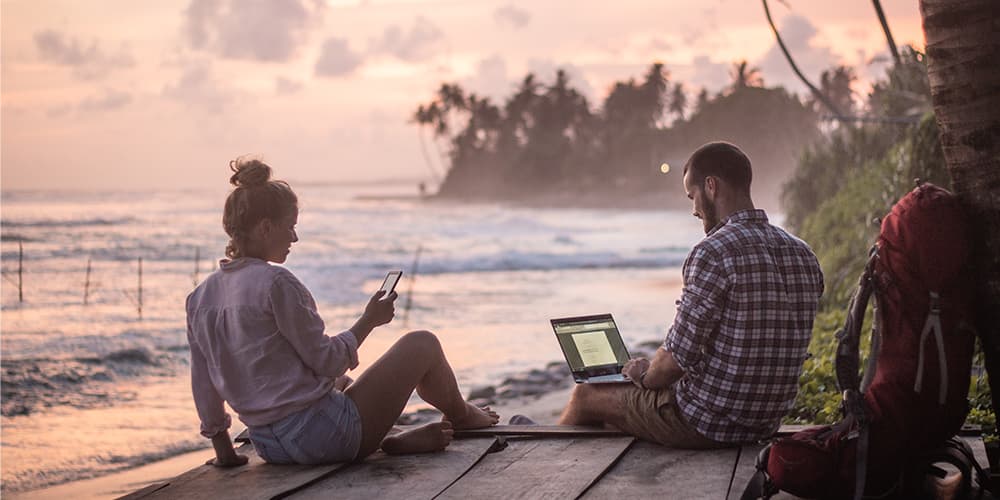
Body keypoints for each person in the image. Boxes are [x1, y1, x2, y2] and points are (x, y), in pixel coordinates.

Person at [186, 157, 498, 468]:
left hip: (270, 446)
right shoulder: (276, 283)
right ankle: (461, 415)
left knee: (342, 383)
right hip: (325, 437)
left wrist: (225, 453)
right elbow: (327, 360)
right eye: (290, 227)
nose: (294, 238)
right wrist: (369, 321)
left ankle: (394, 438)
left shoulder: (199, 297)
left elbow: (204, 383)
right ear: (266, 228)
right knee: (422, 344)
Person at [558, 141, 824, 448]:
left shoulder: (713, 252)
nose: (694, 210)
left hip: (707, 422)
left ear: (711, 186)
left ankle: (544, 458)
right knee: (617, 412)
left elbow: (674, 362)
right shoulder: (803, 253)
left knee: (587, 395)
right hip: (765, 421)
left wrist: (644, 375)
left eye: (692, 196)